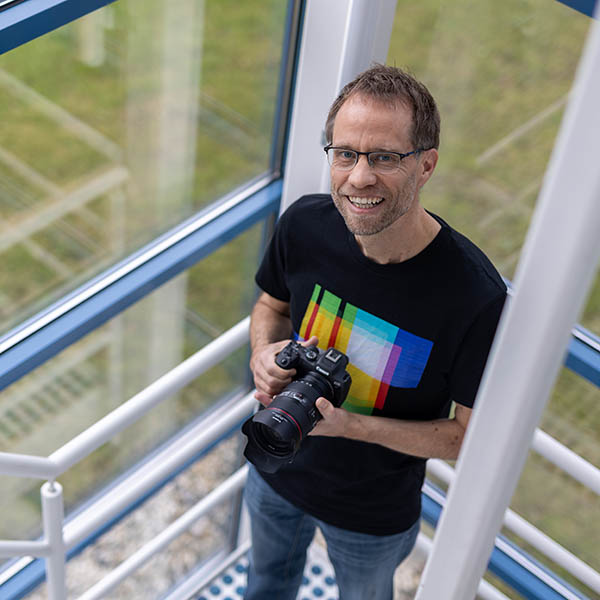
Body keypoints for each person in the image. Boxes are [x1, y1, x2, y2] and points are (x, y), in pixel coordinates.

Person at [243, 64, 506, 600]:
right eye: (345, 154)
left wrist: (350, 427)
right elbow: (270, 304)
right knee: (266, 584)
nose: (359, 178)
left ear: (426, 164)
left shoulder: (473, 296)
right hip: (273, 459)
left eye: (385, 157)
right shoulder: (304, 224)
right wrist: (263, 352)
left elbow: (465, 437)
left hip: (372, 512)